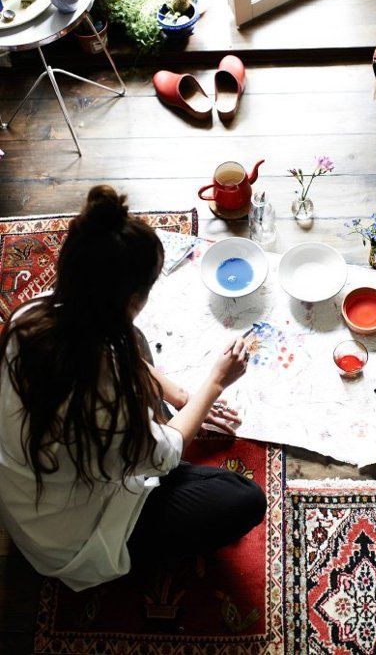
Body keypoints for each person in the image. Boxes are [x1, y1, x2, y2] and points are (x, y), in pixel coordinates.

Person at [0, 185, 266, 592]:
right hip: (74, 538)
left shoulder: (31, 313)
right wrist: (213, 384)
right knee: (242, 499)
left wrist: (180, 395)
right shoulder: (107, 394)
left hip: (33, 490)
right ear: (132, 300)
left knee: (136, 341)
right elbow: (164, 456)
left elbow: (121, 348)